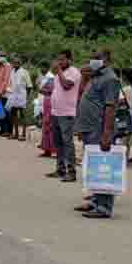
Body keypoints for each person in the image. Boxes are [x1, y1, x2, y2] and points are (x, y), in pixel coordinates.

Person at [74, 49, 121, 219]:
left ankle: (104, 206)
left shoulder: (110, 79)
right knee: (93, 168)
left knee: (103, 168)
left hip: (99, 129)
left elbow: (110, 107)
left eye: (97, 58)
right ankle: (95, 200)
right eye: (92, 58)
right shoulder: (95, 76)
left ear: (107, 60)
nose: (93, 61)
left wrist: (107, 133)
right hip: (89, 128)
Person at [50, 50, 82, 181]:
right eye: (59, 60)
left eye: (62, 60)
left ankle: (71, 171)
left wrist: (59, 72)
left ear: (70, 60)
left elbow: (66, 86)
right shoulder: (60, 73)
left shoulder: (74, 72)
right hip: (56, 111)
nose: (60, 62)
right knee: (58, 142)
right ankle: (60, 169)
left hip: (67, 112)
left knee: (67, 142)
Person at [7, 56, 32, 140]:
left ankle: (23, 134)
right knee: (13, 114)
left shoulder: (25, 72)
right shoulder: (12, 72)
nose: (15, 64)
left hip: (22, 95)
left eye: (17, 62)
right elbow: (11, 84)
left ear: (20, 63)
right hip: (13, 95)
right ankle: (16, 133)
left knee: (22, 115)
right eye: (14, 62)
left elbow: (29, 86)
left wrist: (26, 97)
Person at [37, 62, 55, 158]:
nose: (41, 69)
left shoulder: (51, 78)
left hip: (50, 104)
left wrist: (43, 90)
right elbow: (42, 90)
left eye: (43, 67)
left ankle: (51, 149)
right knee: (45, 127)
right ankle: (46, 149)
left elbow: (48, 90)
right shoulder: (43, 77)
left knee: (50, 127)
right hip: (45, 103)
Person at [0, 54, 13, 137]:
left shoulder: (8, 66)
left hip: (5, 93)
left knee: (6, 112)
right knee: (0, 112)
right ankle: (2, 129)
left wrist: (0, 91)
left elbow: (6, 79)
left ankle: (8, 130)